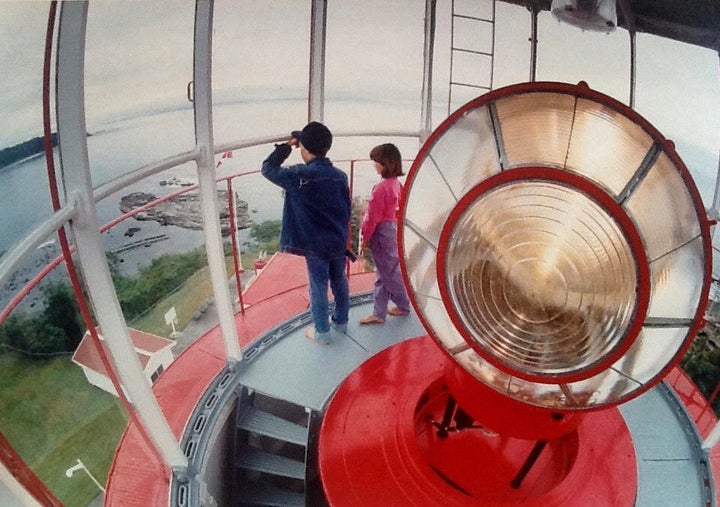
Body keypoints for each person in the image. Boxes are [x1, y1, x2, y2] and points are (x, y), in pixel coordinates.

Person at [261, 121, 351, 345]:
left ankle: (322, 333)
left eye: (301, 144)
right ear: (327, 147)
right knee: (339, 280)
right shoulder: (340, 176)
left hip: (314, 244)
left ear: (305, 148)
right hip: (338, 240)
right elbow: (346, 207)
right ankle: (341, 322)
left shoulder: (300, 175)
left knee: (318, 286)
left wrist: (285, 147)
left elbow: (268, 169)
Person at [359, 143, 411, 325]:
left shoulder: (381, 188)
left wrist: (365, 238)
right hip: (391, 229)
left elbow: (372, 218)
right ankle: (379, 312)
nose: (374, 165)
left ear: (384, 163)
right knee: (384, 272)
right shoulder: (397, 184)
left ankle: (404, 305)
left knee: (388, 272)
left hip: (381, 233)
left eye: (376, 162)